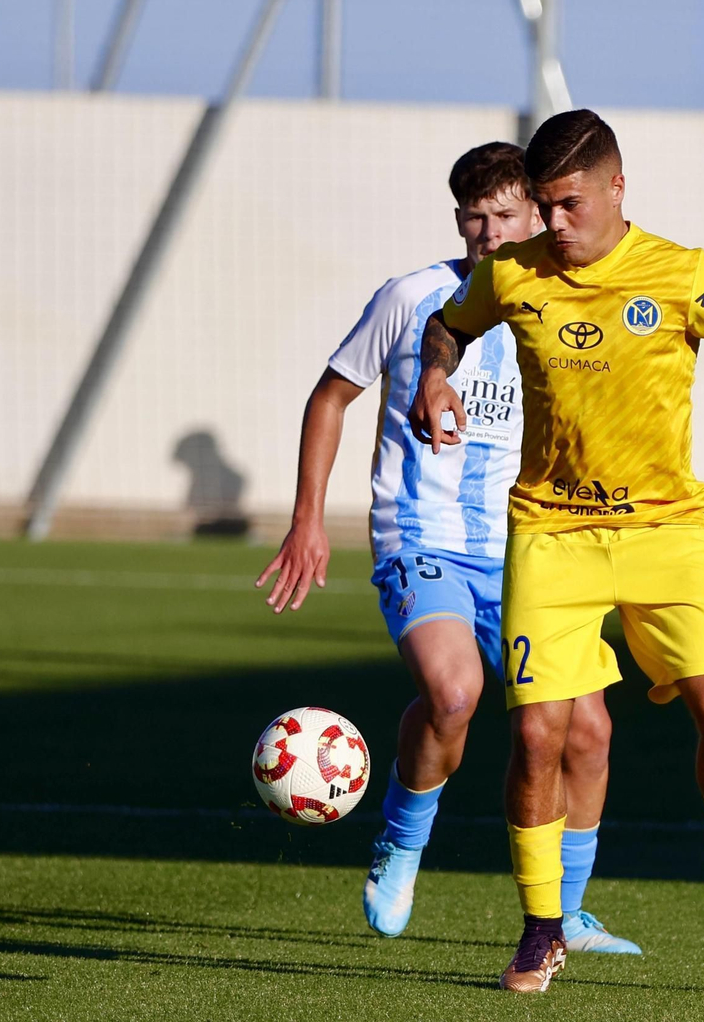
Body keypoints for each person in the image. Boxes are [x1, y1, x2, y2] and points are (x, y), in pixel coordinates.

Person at [409, 110, 704, 993]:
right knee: (538, 735)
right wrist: (436, 373)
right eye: (542, 205)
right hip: (551, 536)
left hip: (668, 535)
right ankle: (543, 928)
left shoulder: (683, 274)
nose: (555, 223)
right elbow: (449, 326)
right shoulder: (510, 274)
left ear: (618, 188)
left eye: (569, 203)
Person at [256, 141, 640, 953]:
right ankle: (400, 846)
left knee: (589, 731)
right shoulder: (413, 297)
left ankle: (567, 911)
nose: (488, 234)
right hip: (419, 537)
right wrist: (306, 518)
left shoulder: (565, 308)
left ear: (538, 215)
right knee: (456, 692)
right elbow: (332, 396)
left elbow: (610, 446)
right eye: (474, 218)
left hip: (531, 551)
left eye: (505, 216)